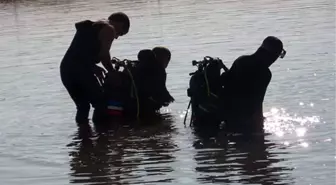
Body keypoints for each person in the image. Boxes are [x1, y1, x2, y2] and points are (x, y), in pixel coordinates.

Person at [60, 12, 130, 125]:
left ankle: (84, 137)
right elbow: (104, 55)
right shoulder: (109, 29)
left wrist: (93, 67)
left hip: (66, 69)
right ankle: (102, 135)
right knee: (100, 103)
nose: (116, 37)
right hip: (80, 70)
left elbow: (80, 53)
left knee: (83, 106)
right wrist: (112, 72)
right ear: (120, 23)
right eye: (120, 33)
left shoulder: (94, 25)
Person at [221, 36, 286, 131]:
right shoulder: (264, 73)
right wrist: (260, 129)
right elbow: (257, 104)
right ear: (273, 55)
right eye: (277, 55)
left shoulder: (241, 60)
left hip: (224, 113)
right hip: (242, 121)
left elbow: (227, 83)